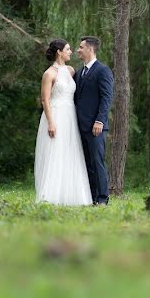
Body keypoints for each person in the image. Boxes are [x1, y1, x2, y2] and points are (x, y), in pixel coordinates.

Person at [34, 39, 93, 206]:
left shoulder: (71, 71)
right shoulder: (49, 74)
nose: (71, 51)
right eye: (67, 49)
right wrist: (51, 123)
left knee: (71, 151)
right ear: (59, 52)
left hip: (70, 116)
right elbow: (45, 100)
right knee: (55, 152)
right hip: (55, 115)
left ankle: (72, 194)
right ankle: (50, 195)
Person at [74, 36, 113, 205]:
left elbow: (106, 97)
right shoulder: (79, 72)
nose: (78, 50)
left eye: (81, 47)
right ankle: (92, 197)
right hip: (80, 126)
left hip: (96, 126)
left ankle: (103, 198)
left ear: (90, 49)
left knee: (98, 162)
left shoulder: (102, 70)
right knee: (87, 163)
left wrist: (100, 121)